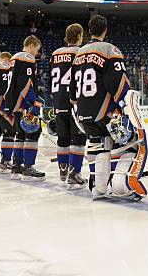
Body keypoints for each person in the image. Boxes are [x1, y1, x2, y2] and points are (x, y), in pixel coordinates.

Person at [70, 15, 148, 200]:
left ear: (89, 30)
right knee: (133, 143)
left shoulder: (79, 54)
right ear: (105, 30)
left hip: (83, 114)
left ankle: (100, 187)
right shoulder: (110, 50)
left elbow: (72, 93)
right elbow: (118, 84)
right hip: (106, 113)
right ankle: (123, 185)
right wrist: (125, 106)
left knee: (99, 146)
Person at [49, 23, 87, 189]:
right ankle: (74, 173)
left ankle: (63, 170)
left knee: (62, 139)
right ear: (79, 35)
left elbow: (51, 79)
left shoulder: (55, 53)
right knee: (77, 138)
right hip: (74, 101)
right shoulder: (80, 52)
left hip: (58, 100)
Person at [4, 35, 45, 180]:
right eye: (37, 50)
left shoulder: (14, 58)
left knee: (20, 135)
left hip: (13, 102)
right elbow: (25, 83)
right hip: (23, 103)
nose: (36, 53)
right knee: (33, 132)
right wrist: (34, 101)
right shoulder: (27, 58)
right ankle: (28, 166)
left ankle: (16, 166)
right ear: (32, 45)